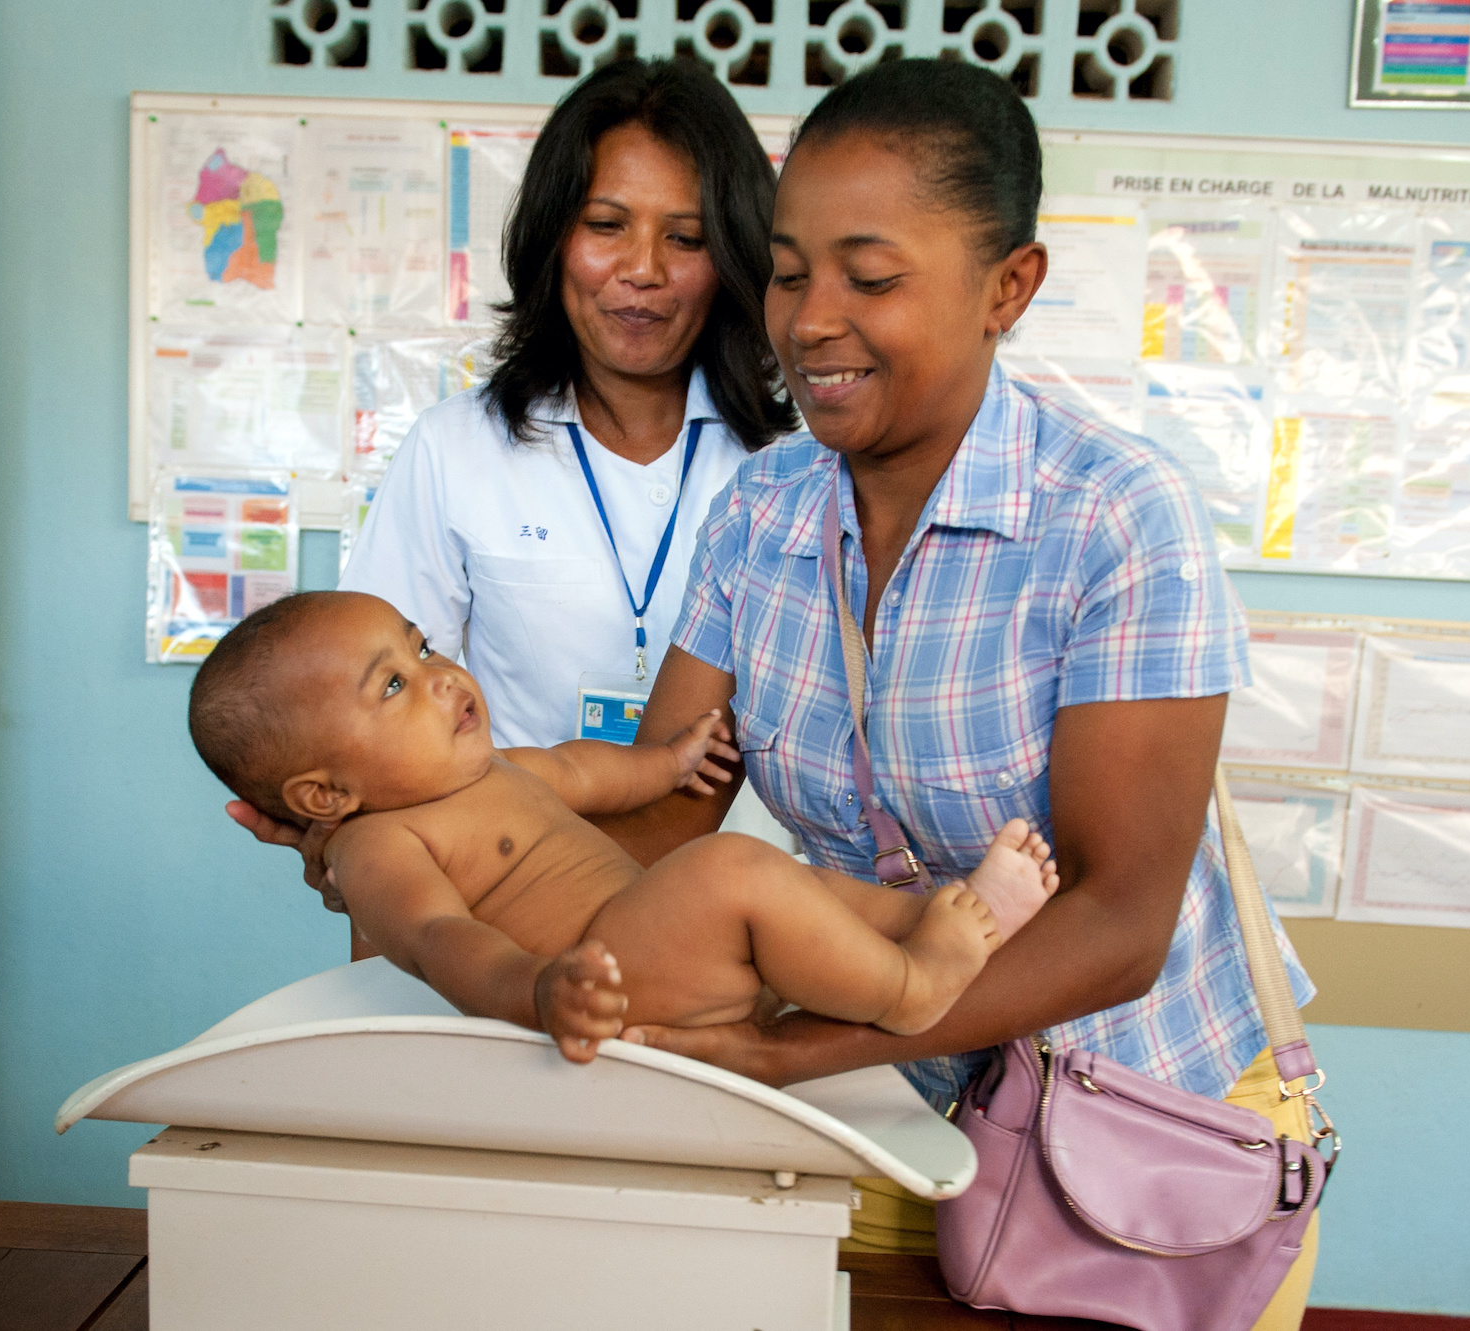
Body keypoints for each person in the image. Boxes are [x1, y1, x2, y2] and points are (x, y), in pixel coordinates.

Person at [592, 60, 1322, 1323]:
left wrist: (792, 1048)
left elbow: (1119, 924)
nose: (810, 319)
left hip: (1130, 1116)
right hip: (878, 1111)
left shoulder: (1111, 516)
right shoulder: (762, 509)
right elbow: (661, 810)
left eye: (870, 278)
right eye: (784, 269)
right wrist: (430, 838)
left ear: (1008, 287)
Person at [227, 57, 799, 916]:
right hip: (496, 909)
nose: (642, 269)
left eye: (685, 238)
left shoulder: (791, 467)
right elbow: (364, 717)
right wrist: (349, 842)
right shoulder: (456, 451)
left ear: (731, 256)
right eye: (607, 224)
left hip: (750, 929)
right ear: (552, 236)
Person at [189, 591, 1059, 1052]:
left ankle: (932, 917)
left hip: (658, 950)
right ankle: (913, 990)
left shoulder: (491, 769)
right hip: (607, 985)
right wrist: (536, 991)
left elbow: (584, 770)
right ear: (322, 797)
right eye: (392, 686)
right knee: (729, 867)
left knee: (800, 884)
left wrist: (671, 764)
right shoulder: (377, 843)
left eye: (421, 647)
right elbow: (437, 936)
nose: (441, 675)